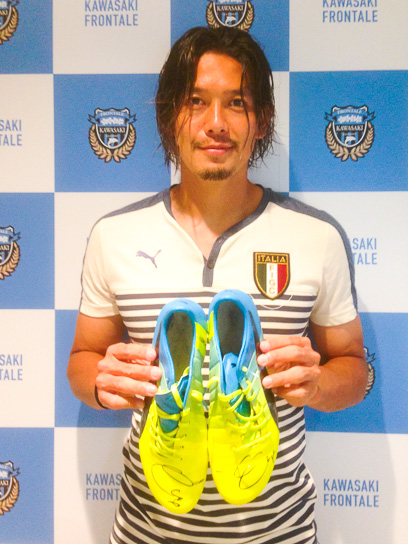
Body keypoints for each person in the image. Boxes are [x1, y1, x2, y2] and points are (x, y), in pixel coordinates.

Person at [67, 26, 368, 544]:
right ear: (170, 116)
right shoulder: (113, 236)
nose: (215, 123)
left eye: (236, 103)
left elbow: (356, 370)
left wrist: (318, 383)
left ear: (262, 119)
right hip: (146, 531)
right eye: (196, 101)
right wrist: (100, 382)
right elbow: (81, 360)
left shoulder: (316, 236)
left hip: (278, 532)